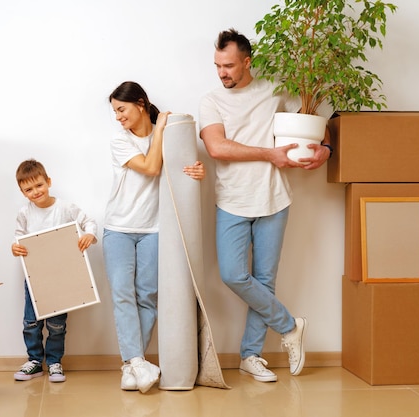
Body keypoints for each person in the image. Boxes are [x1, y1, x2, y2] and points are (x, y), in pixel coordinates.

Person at [198, 29, 331, 383]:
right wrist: (269, 154)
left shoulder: (276, 89)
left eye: (228, 65)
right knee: (232, 275)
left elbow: (314, 119)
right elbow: (217, 148)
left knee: (265, 281)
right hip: (232, 201)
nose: (222, 72)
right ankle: (290, 326)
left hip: (275, 198)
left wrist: (325, 149)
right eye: (217, 65)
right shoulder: (211, 100)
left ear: (247, 61)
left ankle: (250, 356)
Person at [103, 81, 205, 393]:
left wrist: (197, 172)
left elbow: (179, 168)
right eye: (115, 112)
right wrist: (159, 129)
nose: (118, 117)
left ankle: (132, 366)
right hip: (118, 228)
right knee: (123, 295)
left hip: (153, 231)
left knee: (147, 297)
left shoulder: (170, 136)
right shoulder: (119, 142)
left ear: (141, 104)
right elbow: (150, 167)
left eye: (121, 109)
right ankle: (135, 362)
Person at [11, 158, 97, 383]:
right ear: (22, 192)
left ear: (48, 181)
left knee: (57, 325)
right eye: (28, 189)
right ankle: (35, 361)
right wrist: (14, 247)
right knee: (31, 322)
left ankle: (55, 362)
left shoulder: (65, 208)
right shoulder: (24, 213)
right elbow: (18, 237)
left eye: (39, 185)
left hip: (61, 278)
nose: (35, 192)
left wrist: (89, 234)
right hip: (35, 278)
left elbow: (89, 222)